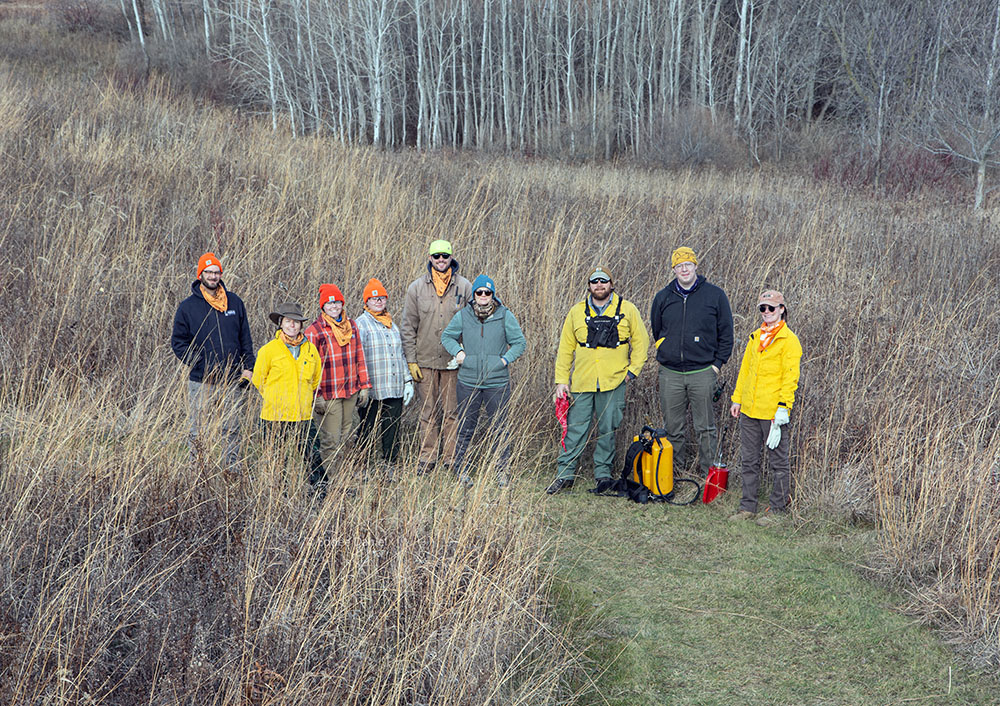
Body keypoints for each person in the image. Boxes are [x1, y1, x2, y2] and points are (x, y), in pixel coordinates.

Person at [546, 266, 649, 495]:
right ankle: (565, 474)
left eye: (604, 281)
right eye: (595, 282)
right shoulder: (576, 312)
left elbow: (641, 342)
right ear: (589, 285)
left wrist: (632, 371)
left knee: (607, 429)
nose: (599, 285)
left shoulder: (627, 309)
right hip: (582, 382)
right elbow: (565, 349)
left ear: (612, 284)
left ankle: (603, 474)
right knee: (575, 429)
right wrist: (561, 380)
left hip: (613, 382)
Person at [650, 246, 734, 478]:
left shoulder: (715, 295)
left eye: (688, 264)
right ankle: (675, 475)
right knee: (673, 429)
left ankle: (710, 478)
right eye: (679, 266)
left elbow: (726, 333)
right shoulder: (663, 297)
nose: (684, 269)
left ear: (696, 266)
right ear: (674, 269)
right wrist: (668, 351)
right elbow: (657, 331)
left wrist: (716, 365)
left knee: (705, 428)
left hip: (703, 372)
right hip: (670, 373)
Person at [171, 252, 255, 473]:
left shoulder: (234, 302)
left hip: (232, 380)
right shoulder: (187, 307)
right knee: (199, 430)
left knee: (232, 429)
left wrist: (248, 368)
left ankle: (232, 472)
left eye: (216, 272)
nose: (213, 276)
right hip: (202, 381)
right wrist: (198, 362)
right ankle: (198, 473)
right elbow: (178, 341)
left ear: (221, 274)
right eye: (208, 272)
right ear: (200, 275)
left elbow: (245, 338)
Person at [441, 274, 526, 487]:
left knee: (499, 427)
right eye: (479, 292)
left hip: (497, 382)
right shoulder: (464, 316)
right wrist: (459, 354)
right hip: (468, 381)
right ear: (474, 295)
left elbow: (519, 343)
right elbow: (447, 336)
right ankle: (461, 470)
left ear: (493, 295)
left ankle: (501, 471)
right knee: (466, 427)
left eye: (487, 293)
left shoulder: (505, 316)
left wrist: (504, 361)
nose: (483, 296)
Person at [728, 290, 802, 527]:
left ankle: (777, 510)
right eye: (763, 308)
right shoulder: (755, 337)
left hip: (773, 413)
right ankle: (747, 507)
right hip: (749, 410)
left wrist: (783, 408)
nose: (767, 312)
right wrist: (737, 399)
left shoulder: (789, 341)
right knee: (749, 461)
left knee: (778, 463)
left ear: (782, 309)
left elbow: (790, 378)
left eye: (772, 308)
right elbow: (745, 371)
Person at [400, 239, 473, 475]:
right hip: (425, 362)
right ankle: (427, 458)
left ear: (451, 258)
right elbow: (408, 327)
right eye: (436, 256)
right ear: (430, 258)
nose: (441, 260)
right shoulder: (416, 288)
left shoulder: (464, 287)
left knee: (453, 412)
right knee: (428, 412)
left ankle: (451, 459)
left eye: (445, 255)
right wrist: (411, 360)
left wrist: (466, 355)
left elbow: (473, 325)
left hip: (453, 363)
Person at [303, 284, 372, 483]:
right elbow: (310, 368)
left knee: (347, 436)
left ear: (342, 303)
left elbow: (360, 355)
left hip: (350, 390)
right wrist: (316, 397)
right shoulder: (314, 331)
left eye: (337, 302)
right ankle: (332, 479)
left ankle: (345, 473)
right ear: (323, 306)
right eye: (329, 303)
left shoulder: (352, 325)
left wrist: (364, 386)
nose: (334, 306)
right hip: (328, 393)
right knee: (331, 439)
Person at [251, 302, 324, 484]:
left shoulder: (310, 350)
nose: (293, 325)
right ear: (281, 323)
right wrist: (275, 397)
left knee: (312, 456)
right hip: (275, 416)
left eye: (297, 322)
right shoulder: (268, 350)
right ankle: (278, 496)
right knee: (277, 460)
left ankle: (319, 492)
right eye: (288, 321)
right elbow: (259, 379)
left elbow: (316, 378)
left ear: (301, 325)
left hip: (303, 415)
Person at [354, 278, 415, 473]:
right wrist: (361, 385)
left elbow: (401, 354)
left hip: (394, 386)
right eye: (374, 298)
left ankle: (390, 464)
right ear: (366, 302)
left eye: (382, 298)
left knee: (392, 428)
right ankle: (362, 464)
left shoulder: (392, 325)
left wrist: (407, 381)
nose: (378, 302)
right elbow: (358, 357)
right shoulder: (361, 324)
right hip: (372, 388)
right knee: (367, 427)